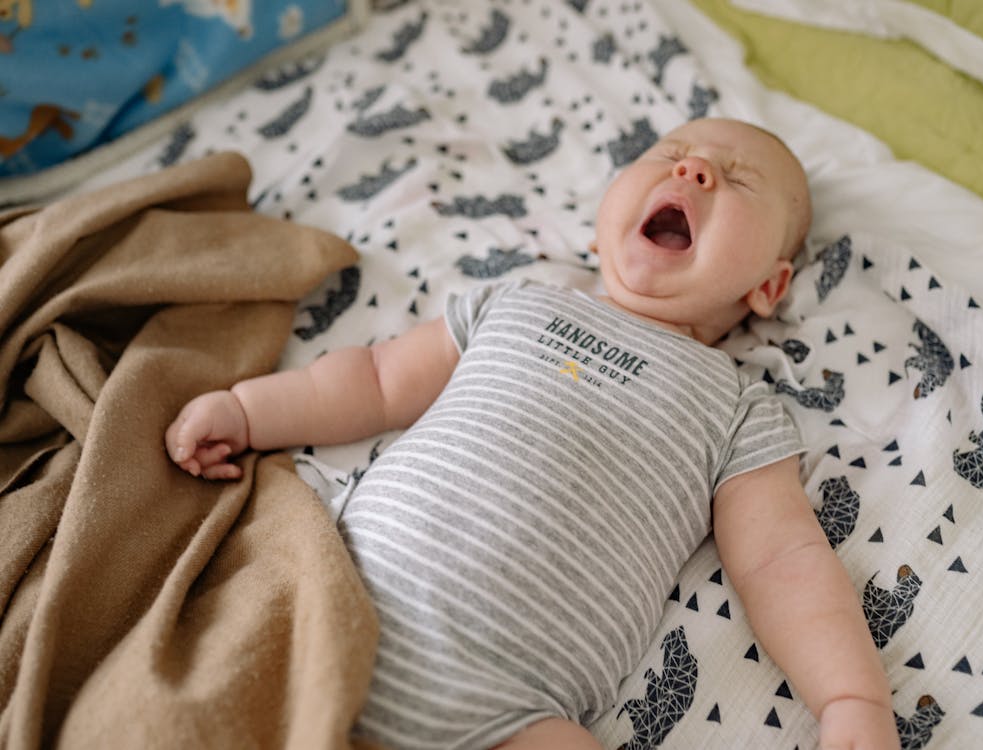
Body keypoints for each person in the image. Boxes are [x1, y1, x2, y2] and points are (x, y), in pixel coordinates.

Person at [165, 118, 899, 750]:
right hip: (338, 599)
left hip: (507, 710)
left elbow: (781, 563)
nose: (693, 167)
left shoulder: (738, 406)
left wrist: (848, 699)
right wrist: (247, 410)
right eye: (670, 152)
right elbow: (373, 381)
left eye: (736, 181)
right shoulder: (517, 304)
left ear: (767, 289)